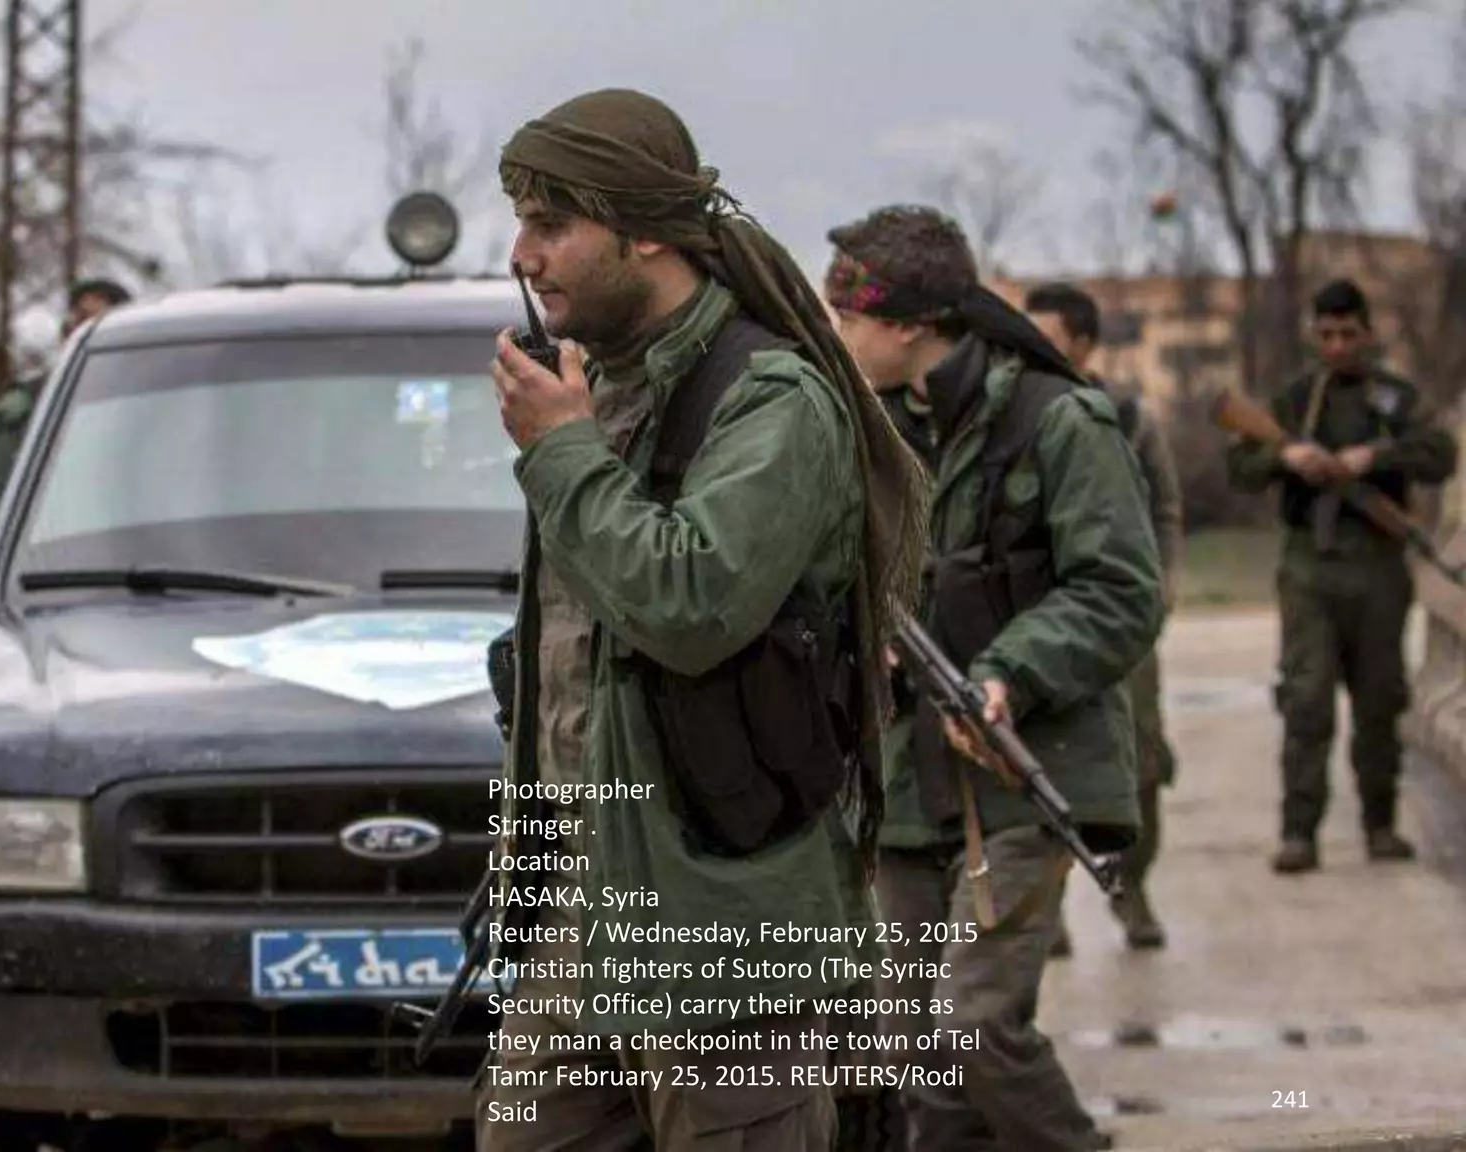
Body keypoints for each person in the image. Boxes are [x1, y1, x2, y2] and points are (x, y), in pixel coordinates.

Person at [478, 88, 931, 1152]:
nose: (522, 256)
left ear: (643, 230)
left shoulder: (770, 400)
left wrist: (560, 452)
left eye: (551, 224)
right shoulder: (599, 391)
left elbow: (689, 606)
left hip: (722, 926)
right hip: (580, 912)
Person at [823, 205, 1162, 1152]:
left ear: (908, 323)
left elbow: (1123, 590)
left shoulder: (1060, 421)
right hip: (906, 786)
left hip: (1020, 768)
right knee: (908, 1050)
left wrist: (1011, 671)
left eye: (847, 317)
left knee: (975, 1028)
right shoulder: (871, 433)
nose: (837, 337)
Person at [1227, 277, 1458, 873]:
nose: (1336, 346)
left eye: (1348, 334)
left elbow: (1440, 454)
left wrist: (1373, 457)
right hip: (1309, 566)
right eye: (1326, 334)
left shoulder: (1396, 399)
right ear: (1313, 333)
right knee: (1306, 700)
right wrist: (1285, 456)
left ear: (1368, 333)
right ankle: (1299, 832)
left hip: (1378, 566)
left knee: (1380, 699)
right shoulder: (1294, 400)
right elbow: (1241, 466)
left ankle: (1380, 825)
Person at [1025, 281, 1183, 951]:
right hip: (1043, 623)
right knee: (1038, 763)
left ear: (1085, 345)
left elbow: (1165, 510)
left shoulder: (1127, 418)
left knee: (1140, 761)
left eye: (1048, 338)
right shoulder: (1018, 414)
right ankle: (1047, 906)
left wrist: (1159, 591)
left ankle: (1132, 889)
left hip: (1120, 622)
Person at [0, 276, 131, 556]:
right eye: (79, 322)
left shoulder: (149, 412)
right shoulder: (29, 409)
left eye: (98, 325)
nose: (85, 334)